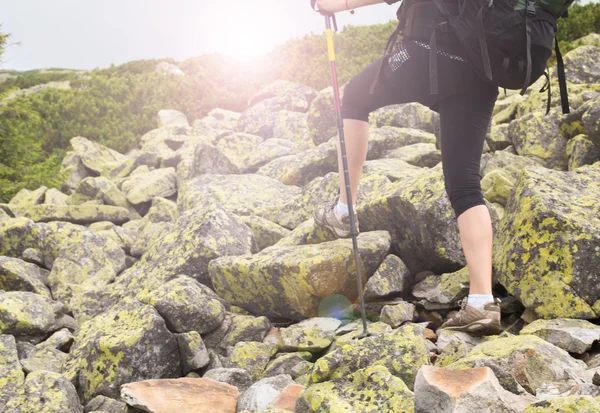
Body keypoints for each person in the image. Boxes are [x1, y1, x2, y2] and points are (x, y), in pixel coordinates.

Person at [312, 0, 508, 335]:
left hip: (428, 55)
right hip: (481, 69)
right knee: (465, 186)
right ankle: (481, 302)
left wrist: (335, 4)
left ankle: (344, 211)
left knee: (356, 95)